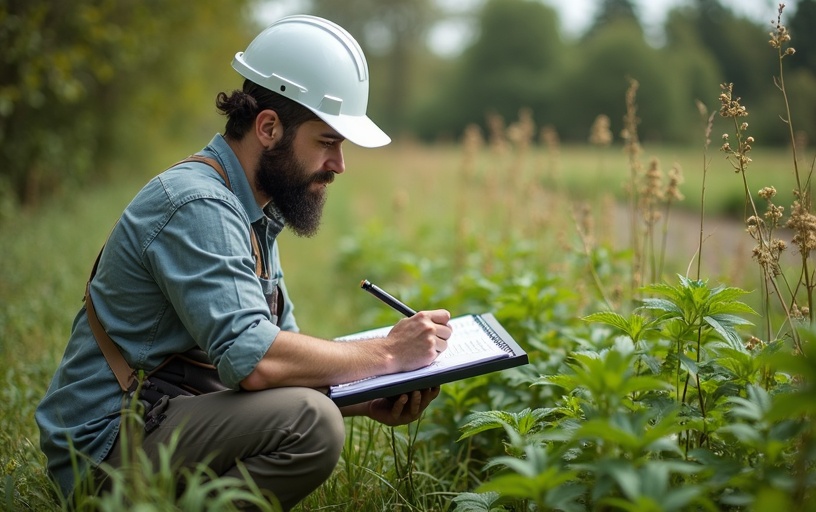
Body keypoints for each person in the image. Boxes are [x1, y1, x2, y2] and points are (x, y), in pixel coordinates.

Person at [35, 14, 452, 510]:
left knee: (315, 407)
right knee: (313, 423)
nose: (340, 165)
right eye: (328, 142)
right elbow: (256, 359)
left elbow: (283, 355)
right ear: (269, 127)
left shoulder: (253, 211)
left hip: (160, 417)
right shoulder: (198, 205)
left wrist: (368, 394)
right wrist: (386, 356)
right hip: (106, 451)